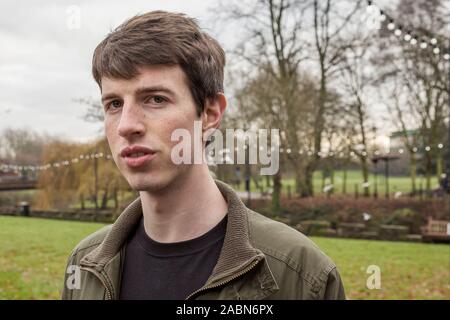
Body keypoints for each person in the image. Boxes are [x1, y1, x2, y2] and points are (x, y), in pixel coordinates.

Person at [61, 10, 345, 300]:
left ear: (210, 114)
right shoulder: (83, 267)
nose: (126, 126)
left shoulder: (302, 275)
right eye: (114, 104)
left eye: (156, 99)